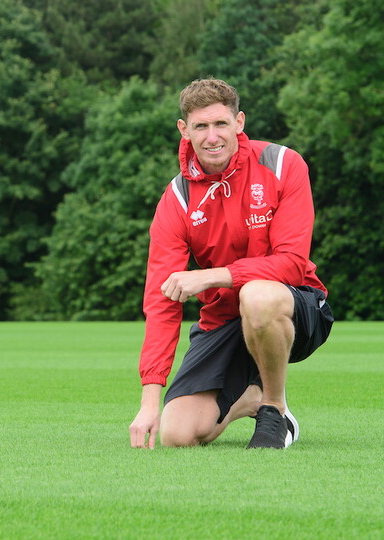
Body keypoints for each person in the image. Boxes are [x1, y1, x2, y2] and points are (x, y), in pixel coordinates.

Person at [128, 78, 333, 450]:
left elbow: (291, 264)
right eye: (201, 126)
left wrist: (211, 277)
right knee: (178, 435)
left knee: (257, 296)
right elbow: (161, 300)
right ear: (184, 130)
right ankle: (252, 397)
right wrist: (149, 400)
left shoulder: (282, 163)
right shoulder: (177, 197)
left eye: (220, 123)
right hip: (225, 320)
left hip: (295, 307)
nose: (212, 137)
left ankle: (275, 409)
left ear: (239, 122)